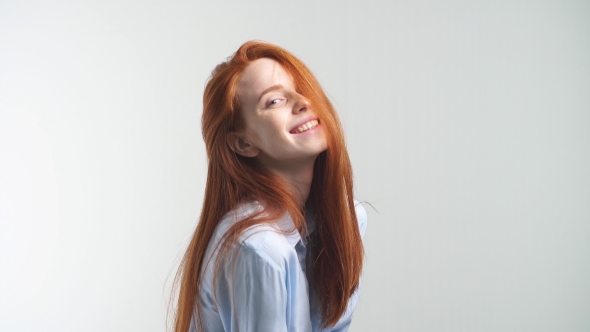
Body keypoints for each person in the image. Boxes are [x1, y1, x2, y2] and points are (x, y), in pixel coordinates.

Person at [172, 41, 367, 332]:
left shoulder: (346, 219)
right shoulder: (260, 249)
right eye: (274, 101)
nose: (304, 103)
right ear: (243, 143)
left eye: (301, 90)